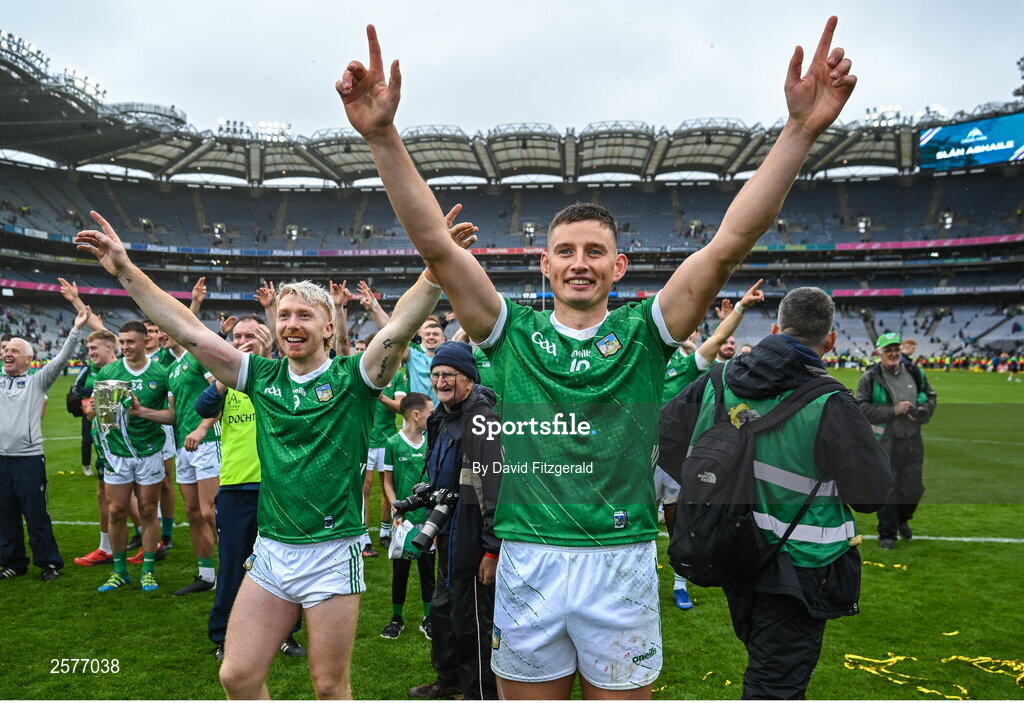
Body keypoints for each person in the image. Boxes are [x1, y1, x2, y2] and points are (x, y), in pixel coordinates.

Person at [338, 16, 857, 697]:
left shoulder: (647, 330)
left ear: (619, 265)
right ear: (544, 265)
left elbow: (730, 240)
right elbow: (437, 246)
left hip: (621, 563)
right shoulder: (510, 332)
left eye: (594, 252)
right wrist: (382, 137)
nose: (579, 263)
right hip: (529, 561)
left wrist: (798, 132)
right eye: (566, 251)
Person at [75, 210, 444, 700]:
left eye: (304, 316)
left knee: (330, 686)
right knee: (237, 675)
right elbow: (188, 331)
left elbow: (398, 329)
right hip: (272, 549)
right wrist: (124, 269)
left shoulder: (353, 379)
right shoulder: (261, 379)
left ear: (328, 329)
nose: (292, 324)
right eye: (284, 315)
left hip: (333, 553)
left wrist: (436, 269)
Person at [659, 287, 893, 699]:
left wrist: (710, 486)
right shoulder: (832, 401)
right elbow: (871, 495)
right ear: (831, 340)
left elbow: (663, 437)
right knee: (775, 687)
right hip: (800, 567)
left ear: (774, 328)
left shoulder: (718, 380)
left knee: (767, 670)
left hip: (730, 549)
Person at [196, 315, 305, 661]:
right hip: (236, 488)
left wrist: (271, 356)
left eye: (252, 334)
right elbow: (201, 407)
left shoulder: (281, 376)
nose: (244, 340)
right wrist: (223, 382)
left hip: (279, 487)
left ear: (266, 338)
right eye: (237, 335)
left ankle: (285, 635)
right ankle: (223, 636)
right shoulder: (225, 381)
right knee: (231, 566)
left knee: (283, 566)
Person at [658, 280, 765, 611]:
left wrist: (742, 309)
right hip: (639, 458)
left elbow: (718, 340)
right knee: (638, 525)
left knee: (682, 524)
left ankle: (680, 583)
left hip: (677, 458)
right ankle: (639, 582)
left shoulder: (686, 365)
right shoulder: (636, 366)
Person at [408, 342, 501, 700]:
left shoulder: (482, 420)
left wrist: (491, 551)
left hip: (473, 539)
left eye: (449, 375)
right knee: (443, 613)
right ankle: (447, 683)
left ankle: (479, 692)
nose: (441, 381)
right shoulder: (441, 417)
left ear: (468, 378)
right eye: (436, 375)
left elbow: (494, 487)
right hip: (446, 531)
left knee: (473, 622)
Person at [0, 307, 89, 581]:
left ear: (29, 359)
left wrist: (76, 329)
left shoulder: (37, 381)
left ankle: (49, 563)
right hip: (2, 460)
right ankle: (13, 562)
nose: (7, 354)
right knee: (5, 516)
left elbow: (62, 359)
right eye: (5, 350)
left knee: (36, 514)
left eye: (14, 351)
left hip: (28, 459)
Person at [91, 320, 172, 592]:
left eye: (130, 342)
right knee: (116, 511)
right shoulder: (110, 371)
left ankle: (148, 570)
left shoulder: (162, 373)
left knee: (149, 510)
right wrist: (96, 409)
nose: (125, 347)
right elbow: (104, 419)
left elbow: (173, 416)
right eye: (122, 342)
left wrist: (141, 412)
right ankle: (119, 571)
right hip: (118, 453)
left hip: (149, 450)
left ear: (144, 341)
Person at [856, 332, 937, 550]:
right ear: (879, 353)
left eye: (896, 350)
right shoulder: (870, 377)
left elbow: (930, 397)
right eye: (888, 350)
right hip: (884, 443)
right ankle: (887, 533)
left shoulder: (914, 372)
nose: (893, 354)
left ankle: (902, 520)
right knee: (888, 490)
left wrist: (921, 412)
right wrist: (892, 410)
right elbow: (861, 407)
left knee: (913, 490)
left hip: (912, 441)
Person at [379, 392, 435, 640]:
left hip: (427, 518)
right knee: (400, 572)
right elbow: (387, 483)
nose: (432, 418)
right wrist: (396, 508)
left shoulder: (431, 442)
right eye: (430, 413)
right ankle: (396, 618)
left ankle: (428, 617)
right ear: (416, 415)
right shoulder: (392, 443)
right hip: (403, 521)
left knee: (427, 571)